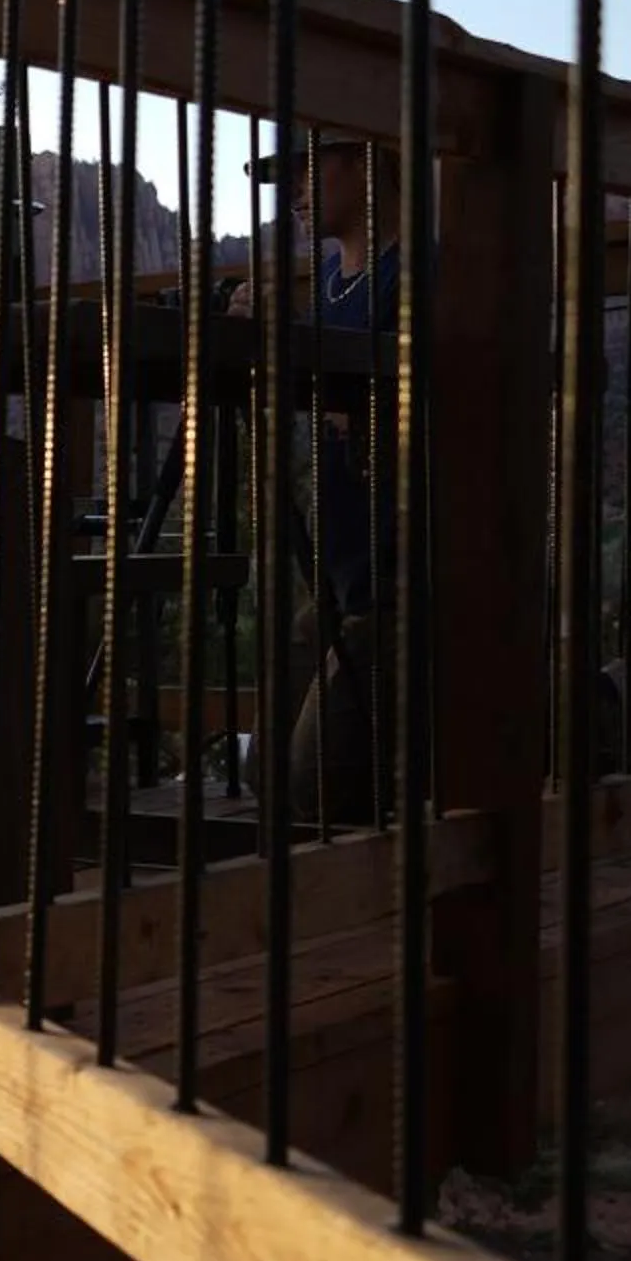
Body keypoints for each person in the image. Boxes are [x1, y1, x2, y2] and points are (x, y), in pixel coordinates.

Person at [232, 138, 404, 824]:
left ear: (362, 160)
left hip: (401, 582)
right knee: (266, 771)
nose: (296, 191)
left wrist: (290, 346)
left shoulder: (418, 276)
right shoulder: (330, 287)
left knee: (312, 786)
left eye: (307, 169)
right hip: (344, 582)